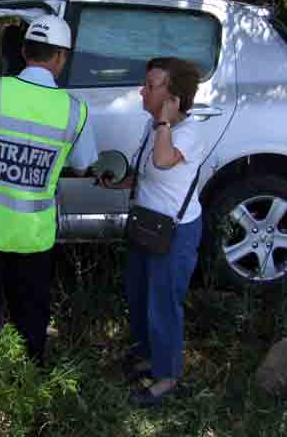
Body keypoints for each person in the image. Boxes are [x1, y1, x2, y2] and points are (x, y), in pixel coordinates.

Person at [0, 14, 98, 370]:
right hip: (33, 235)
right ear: (60, 58)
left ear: (24, 50)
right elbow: (82, 163)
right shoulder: (74, 111)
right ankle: (26, 381)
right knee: (30, 316)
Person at [98, 57, 205, 407]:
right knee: (140, 294)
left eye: (151, 86)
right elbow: (147, 171)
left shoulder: (190, 132)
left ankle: (168, 376)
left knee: (164, 304)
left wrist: (164, 121)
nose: (142, 91)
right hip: (147, 225)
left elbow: (162, 161)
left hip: (174, 234)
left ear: (174, 97)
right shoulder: (152, 127)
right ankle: (148, 357)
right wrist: (118, 181)